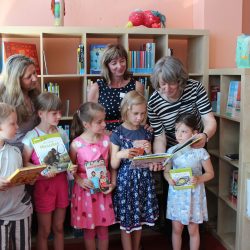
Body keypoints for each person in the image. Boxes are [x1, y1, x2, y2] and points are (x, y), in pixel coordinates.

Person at [22, 92, 75, 250]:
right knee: (44, 230)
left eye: (60, 112)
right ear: (40, 113)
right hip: (43, 188)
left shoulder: (62, 133)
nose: (59, 116)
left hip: (61, 186)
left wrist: (71, 167)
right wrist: (41, 170)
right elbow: (24, 163)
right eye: (54, 113)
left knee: (59, 228)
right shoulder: (31, 136)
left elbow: (67, 160)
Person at [110, 90, 159, 250]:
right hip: (126, 184)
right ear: (126, 111)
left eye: (143, 114)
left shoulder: (146, 131)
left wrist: (149, 149)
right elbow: (113, 164)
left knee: (139, 222)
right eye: (136, 113)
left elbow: (150, 162)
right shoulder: (117, 133)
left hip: (144, 182)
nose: (140, 117)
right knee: (126, 224)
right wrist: (121, 154)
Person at [163, 113, 214, 250]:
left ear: (194, 133)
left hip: (194, 195)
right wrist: (168, 179)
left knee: (193, 230)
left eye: (184, 131)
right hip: (177, 195)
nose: (178, 135)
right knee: (177, 229)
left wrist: (198, 178)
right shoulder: (171, 151)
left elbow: (210, 173)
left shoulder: (201, 152)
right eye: (176, 131)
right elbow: (166, 171)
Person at [70, 102, 116, 250]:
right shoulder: (76, 144)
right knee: (89, 231)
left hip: (103, 192)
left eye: (104, 120)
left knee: (103, 230)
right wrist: (79, 180)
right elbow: (71, 169)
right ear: (86, 124)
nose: (104, 124)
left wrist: (113, 183)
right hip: (85, 193)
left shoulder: (107, 140)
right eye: (99, 122)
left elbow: (112, 166)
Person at [147, 56, 217, 154]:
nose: (167, 89)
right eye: (163, 84)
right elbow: (160, 137)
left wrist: (205, 135)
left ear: (179, 80)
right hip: (172, 151)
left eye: (172, 83)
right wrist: (160, 158)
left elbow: (209, 120)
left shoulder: (195, 88)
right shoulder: (153, 103)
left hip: (196, 146)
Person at [87, 44, 144, 132]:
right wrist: (106, 135)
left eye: (122, 61)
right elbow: (90, 120)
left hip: (131, 133)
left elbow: (142, 114)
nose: (120, 66)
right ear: (107, 66)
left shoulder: (137, 86)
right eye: (114, 63)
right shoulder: (96, 88)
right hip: (105, 135)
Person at [0, 103, 33, 250]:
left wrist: (29, 177)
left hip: (21, 211)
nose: (18, 127)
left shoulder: (14, 151)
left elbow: (20, 176)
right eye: (13, 123)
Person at [0, 54, 40, 152]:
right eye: (28, 76)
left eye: (35, 73)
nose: (35, 78)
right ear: (16, 81)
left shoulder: (35, 94)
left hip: (35, 150)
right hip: (12, 155)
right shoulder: (2, 101)